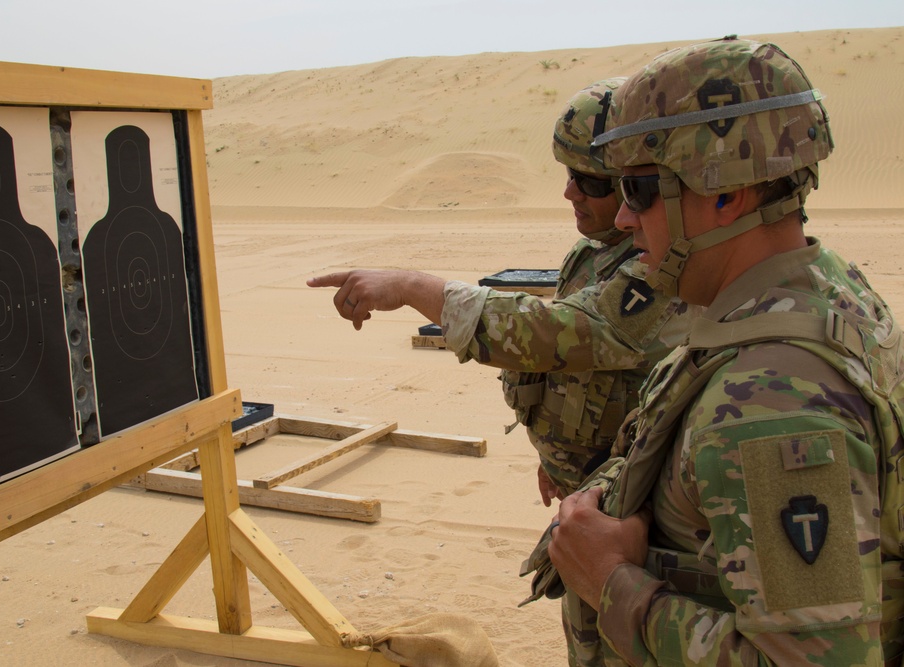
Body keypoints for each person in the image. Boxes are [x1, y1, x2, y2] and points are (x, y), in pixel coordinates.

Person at [308, 78, 697, 663]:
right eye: (567, 175)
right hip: (592, 497)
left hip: (638, 523)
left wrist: (415, 288)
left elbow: (566, 333)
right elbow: (581, 370)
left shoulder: (661, 265)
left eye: (589, 181)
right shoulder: (595, 255)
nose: (570, 193)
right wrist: (557, 455)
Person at [548, 37, 904, 665]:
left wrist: (610, 583)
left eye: (639, 190)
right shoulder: (827, 292)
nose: (626, 221)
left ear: (725, 196)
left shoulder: (771, 402)